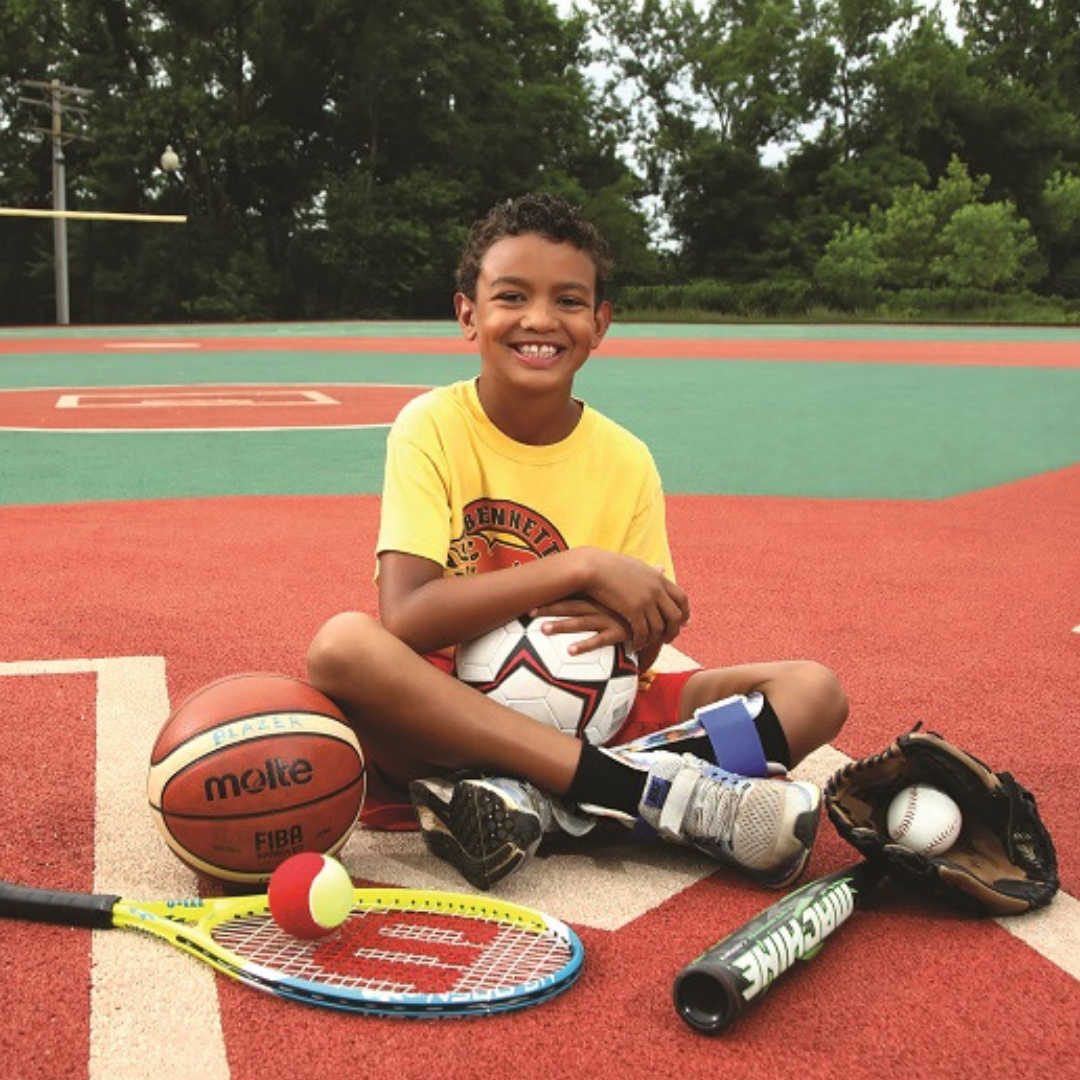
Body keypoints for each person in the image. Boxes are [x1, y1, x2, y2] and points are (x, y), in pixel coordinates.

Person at [306, 193, 848, 891]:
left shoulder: (626, 459)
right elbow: (405, 616)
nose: (539, 319)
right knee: (342, 647)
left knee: (813, 693)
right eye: (511, 296)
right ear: (467, 313)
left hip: (601, 710)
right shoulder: (432, 425)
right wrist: (579, 567)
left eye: (568, 300)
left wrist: (643, 619)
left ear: (600, 322)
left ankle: (539, 805)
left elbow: (642, 646)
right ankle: (627, 792)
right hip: (449, 718)